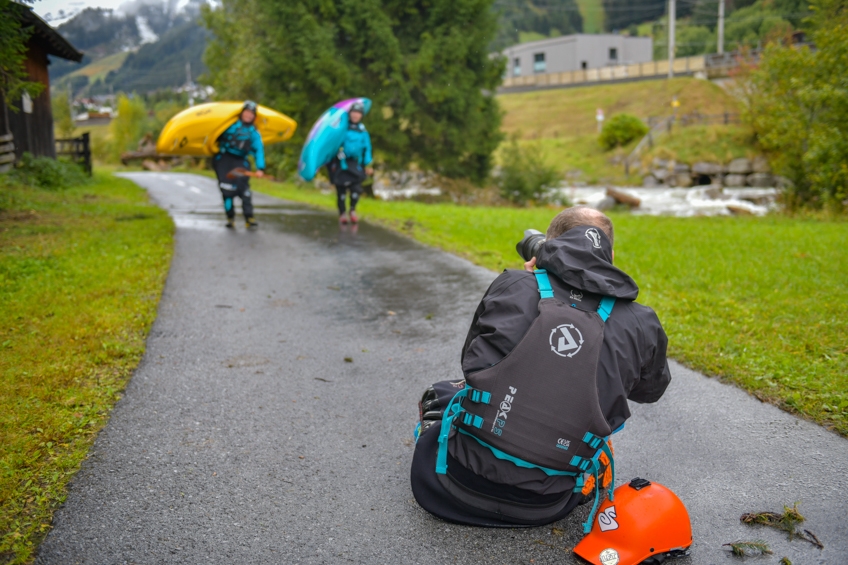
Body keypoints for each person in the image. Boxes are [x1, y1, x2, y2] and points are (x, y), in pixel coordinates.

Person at [410, 206, 671, 528]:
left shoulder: (513, 283)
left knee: (443, 392)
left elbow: (473, 363)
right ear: (611, 255)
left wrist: (531, 284)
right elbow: (649, 392)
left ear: (548, 246)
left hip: (452, 482)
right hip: (550, 503)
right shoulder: (642, 323)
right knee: (601, 412)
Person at [213, 100, 265, 229]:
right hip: (224, 160)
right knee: (227, 190)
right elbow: (213, 137)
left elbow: (259, 150)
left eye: (251, 114)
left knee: (244, 190)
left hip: (241, 161)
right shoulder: (229, 126)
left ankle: (249, 217)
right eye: (247, 112)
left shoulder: (253, 132)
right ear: (241, 113)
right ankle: (230, 218)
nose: (249, 115)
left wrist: (260, 168)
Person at [328, 102, 373, 224]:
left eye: (358, 113)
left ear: (361, 115)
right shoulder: (342, 128)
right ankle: (342, 213)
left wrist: (368, 163)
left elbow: (367, 148)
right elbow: (333, 143)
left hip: (355, 163)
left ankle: (352, 210)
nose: (355, 115)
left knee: (355, 189)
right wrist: (337, 152)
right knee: (341, 190)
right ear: (350, 113)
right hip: (341, 162)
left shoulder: (363, 131)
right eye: (354, 112)